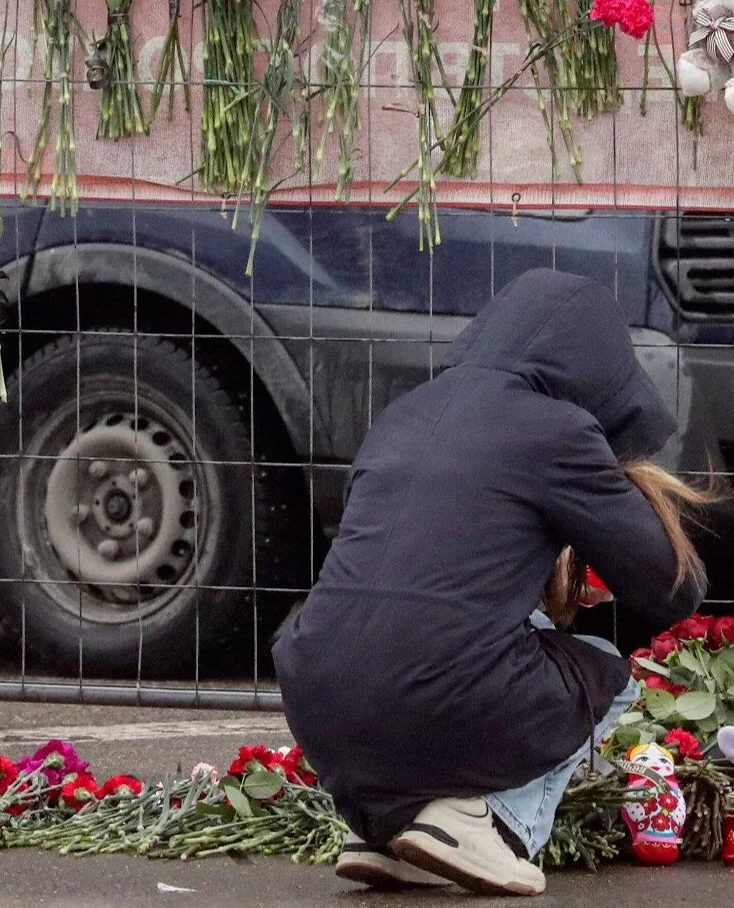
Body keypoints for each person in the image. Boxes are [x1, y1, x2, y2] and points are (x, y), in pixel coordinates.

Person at [275, 269, 708, 896]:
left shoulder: (403, 414)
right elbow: (675, 587)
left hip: (313, 693)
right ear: (594, 368)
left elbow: (423, 570)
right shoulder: (555, 429)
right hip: (432, 692)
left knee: (463, 645)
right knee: (605, 673)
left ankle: (388, 831)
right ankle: (492, 828)